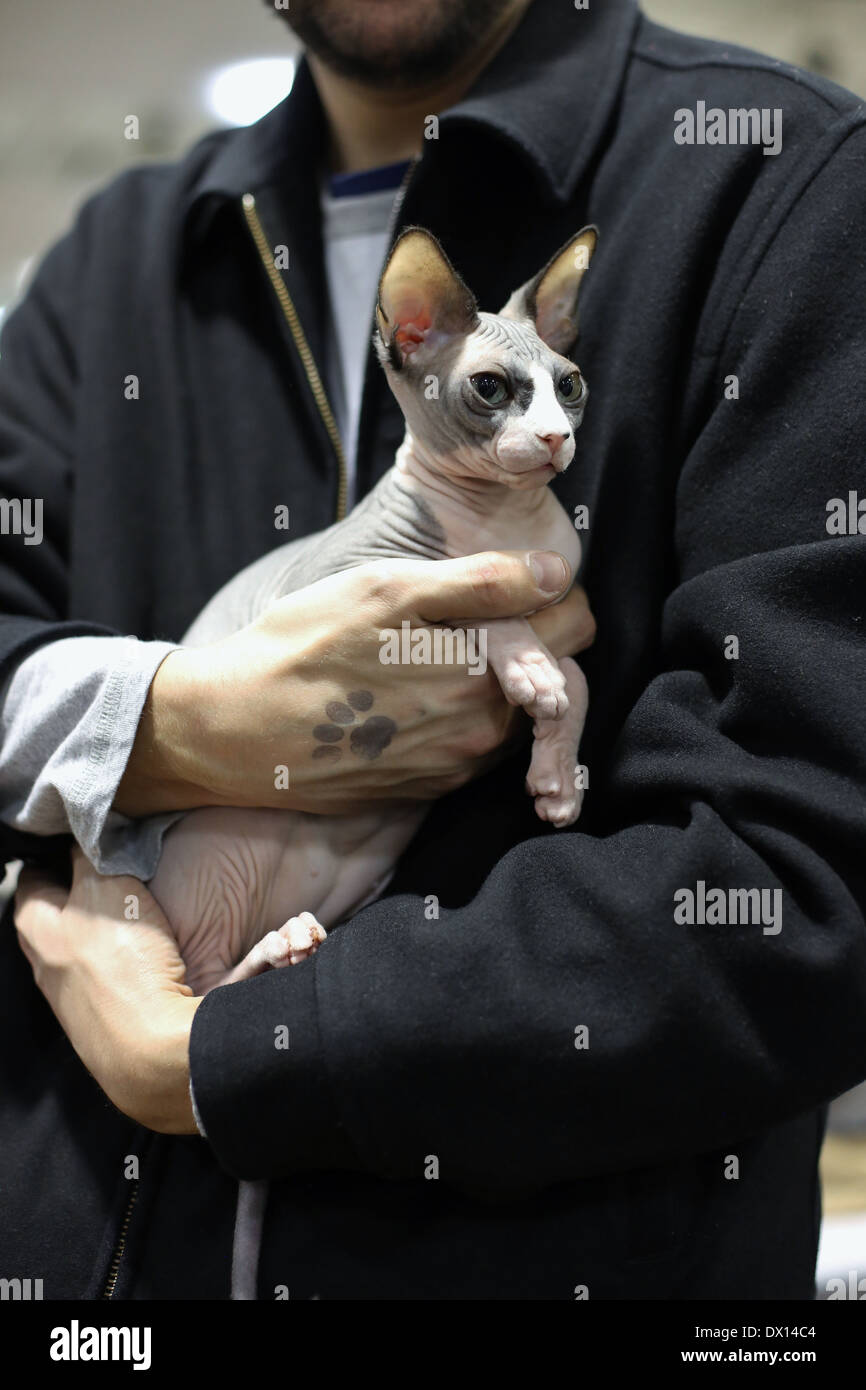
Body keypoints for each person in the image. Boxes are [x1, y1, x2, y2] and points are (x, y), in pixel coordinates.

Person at [1, 0, 864, 1300]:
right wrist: (175, 722)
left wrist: (223, 1056)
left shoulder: (787, 187)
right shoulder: (115, 261)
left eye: (562, 392)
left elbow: (810, 881)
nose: (550, 427)